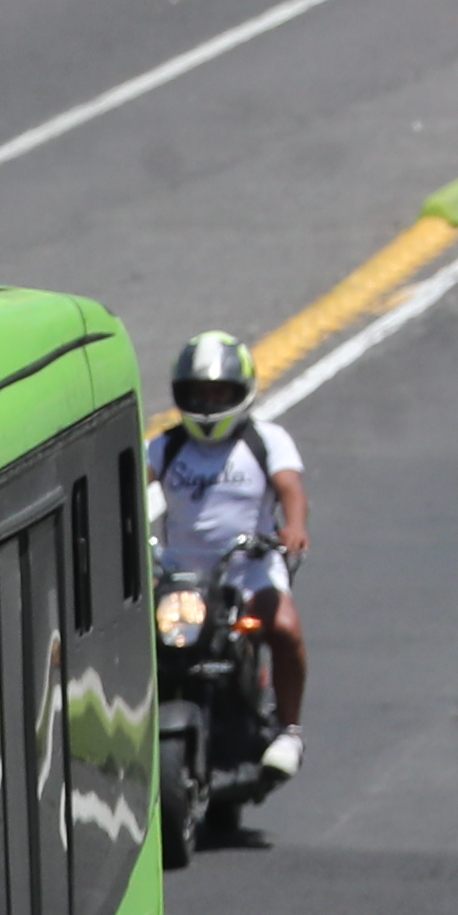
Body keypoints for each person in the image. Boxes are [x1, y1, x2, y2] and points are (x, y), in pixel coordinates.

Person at [148, 328, 310, 780]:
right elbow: (126, 485)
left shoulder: (266, 440)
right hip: (180, 580)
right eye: (200, 392)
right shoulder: (166, 445)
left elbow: (290, 489)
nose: (209, 401)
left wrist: (294, 526)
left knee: (285, 629)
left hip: (249, 572)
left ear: (240, 392)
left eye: (219, 392)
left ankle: (289, 731)